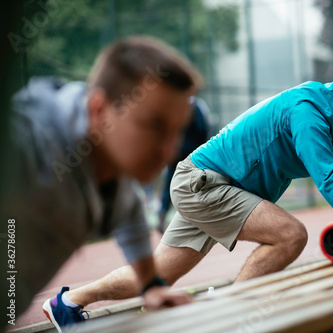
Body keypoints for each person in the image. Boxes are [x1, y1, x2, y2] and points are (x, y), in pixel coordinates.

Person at [45, 52, 333, 326]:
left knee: (159, 275)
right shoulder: (309, 111)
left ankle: (66, 303)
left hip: (209, 183)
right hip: (204, 183)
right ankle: (233, 321)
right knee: (290, 235)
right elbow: (330, 178)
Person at [1, 36, 202, 332]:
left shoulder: (110, 166)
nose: (169, 151)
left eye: (176, 132)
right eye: (155, 126)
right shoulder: (23, 146)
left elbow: (130, 211)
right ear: (98, 110)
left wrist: (152, 285)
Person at [158, 96, 210, 232]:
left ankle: (163, 212)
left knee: (171, 183)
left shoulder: (175, 105)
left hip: (177, 152)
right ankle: (199, 216)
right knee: (197, 183)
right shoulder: (198, 106)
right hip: (193, 153)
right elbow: (203, 128)